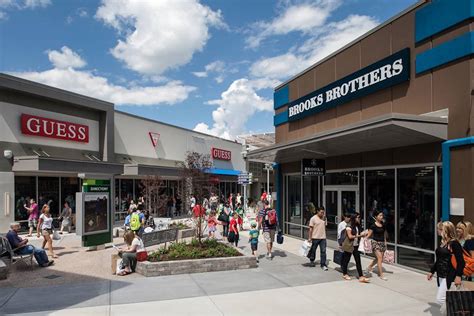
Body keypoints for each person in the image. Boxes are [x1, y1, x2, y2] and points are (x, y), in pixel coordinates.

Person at [427, 221, 465, 315]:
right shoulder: (443, 243)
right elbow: (439, 260)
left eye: (440, 229)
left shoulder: (454, 244)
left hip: (449, 275)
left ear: (446, 230)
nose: (437, 230)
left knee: (439, 299)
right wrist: (432, 271)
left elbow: (461, 262)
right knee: (448, 299)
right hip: (441, 275)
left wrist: (458, 276)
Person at [340, 213, 370, 283]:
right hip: (349, 245)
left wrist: (363, 234)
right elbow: (350, 236)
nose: (359, 219)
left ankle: (361, 276)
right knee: (346, 260)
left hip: (356, 245)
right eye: (358, 217)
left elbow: (358, 235)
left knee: (358, 261)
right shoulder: (349, 226)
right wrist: (359, 236)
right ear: (354, 218)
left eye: (359, 217)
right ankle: (345, 273)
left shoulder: (357, 226)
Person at [366, 210, 388, 280]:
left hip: (382, 243)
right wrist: (363, 239)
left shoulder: (383, 224)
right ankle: (381, 274)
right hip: (375, 242)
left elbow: (384, 234)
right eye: (380, 215)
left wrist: (385, 243)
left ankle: (369, 267)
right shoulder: (373, 225)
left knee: (379, 259)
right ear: (376, 216)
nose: (382, 217)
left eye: (382, 215)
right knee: (380, 258)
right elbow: (369, 234)